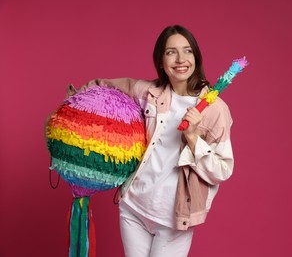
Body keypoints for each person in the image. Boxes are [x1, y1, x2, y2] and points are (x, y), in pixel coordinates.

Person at [68, 25, 234, 257]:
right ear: (161, 61)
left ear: (196, 56)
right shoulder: (147, 92)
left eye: (187, 51)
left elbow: (222, 171)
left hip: (174, 218)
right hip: (134, 206)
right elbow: (101, 86)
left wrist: (193, 137)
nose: (180, 59)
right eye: (171, 52)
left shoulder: (215, 110)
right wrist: (70, 108)